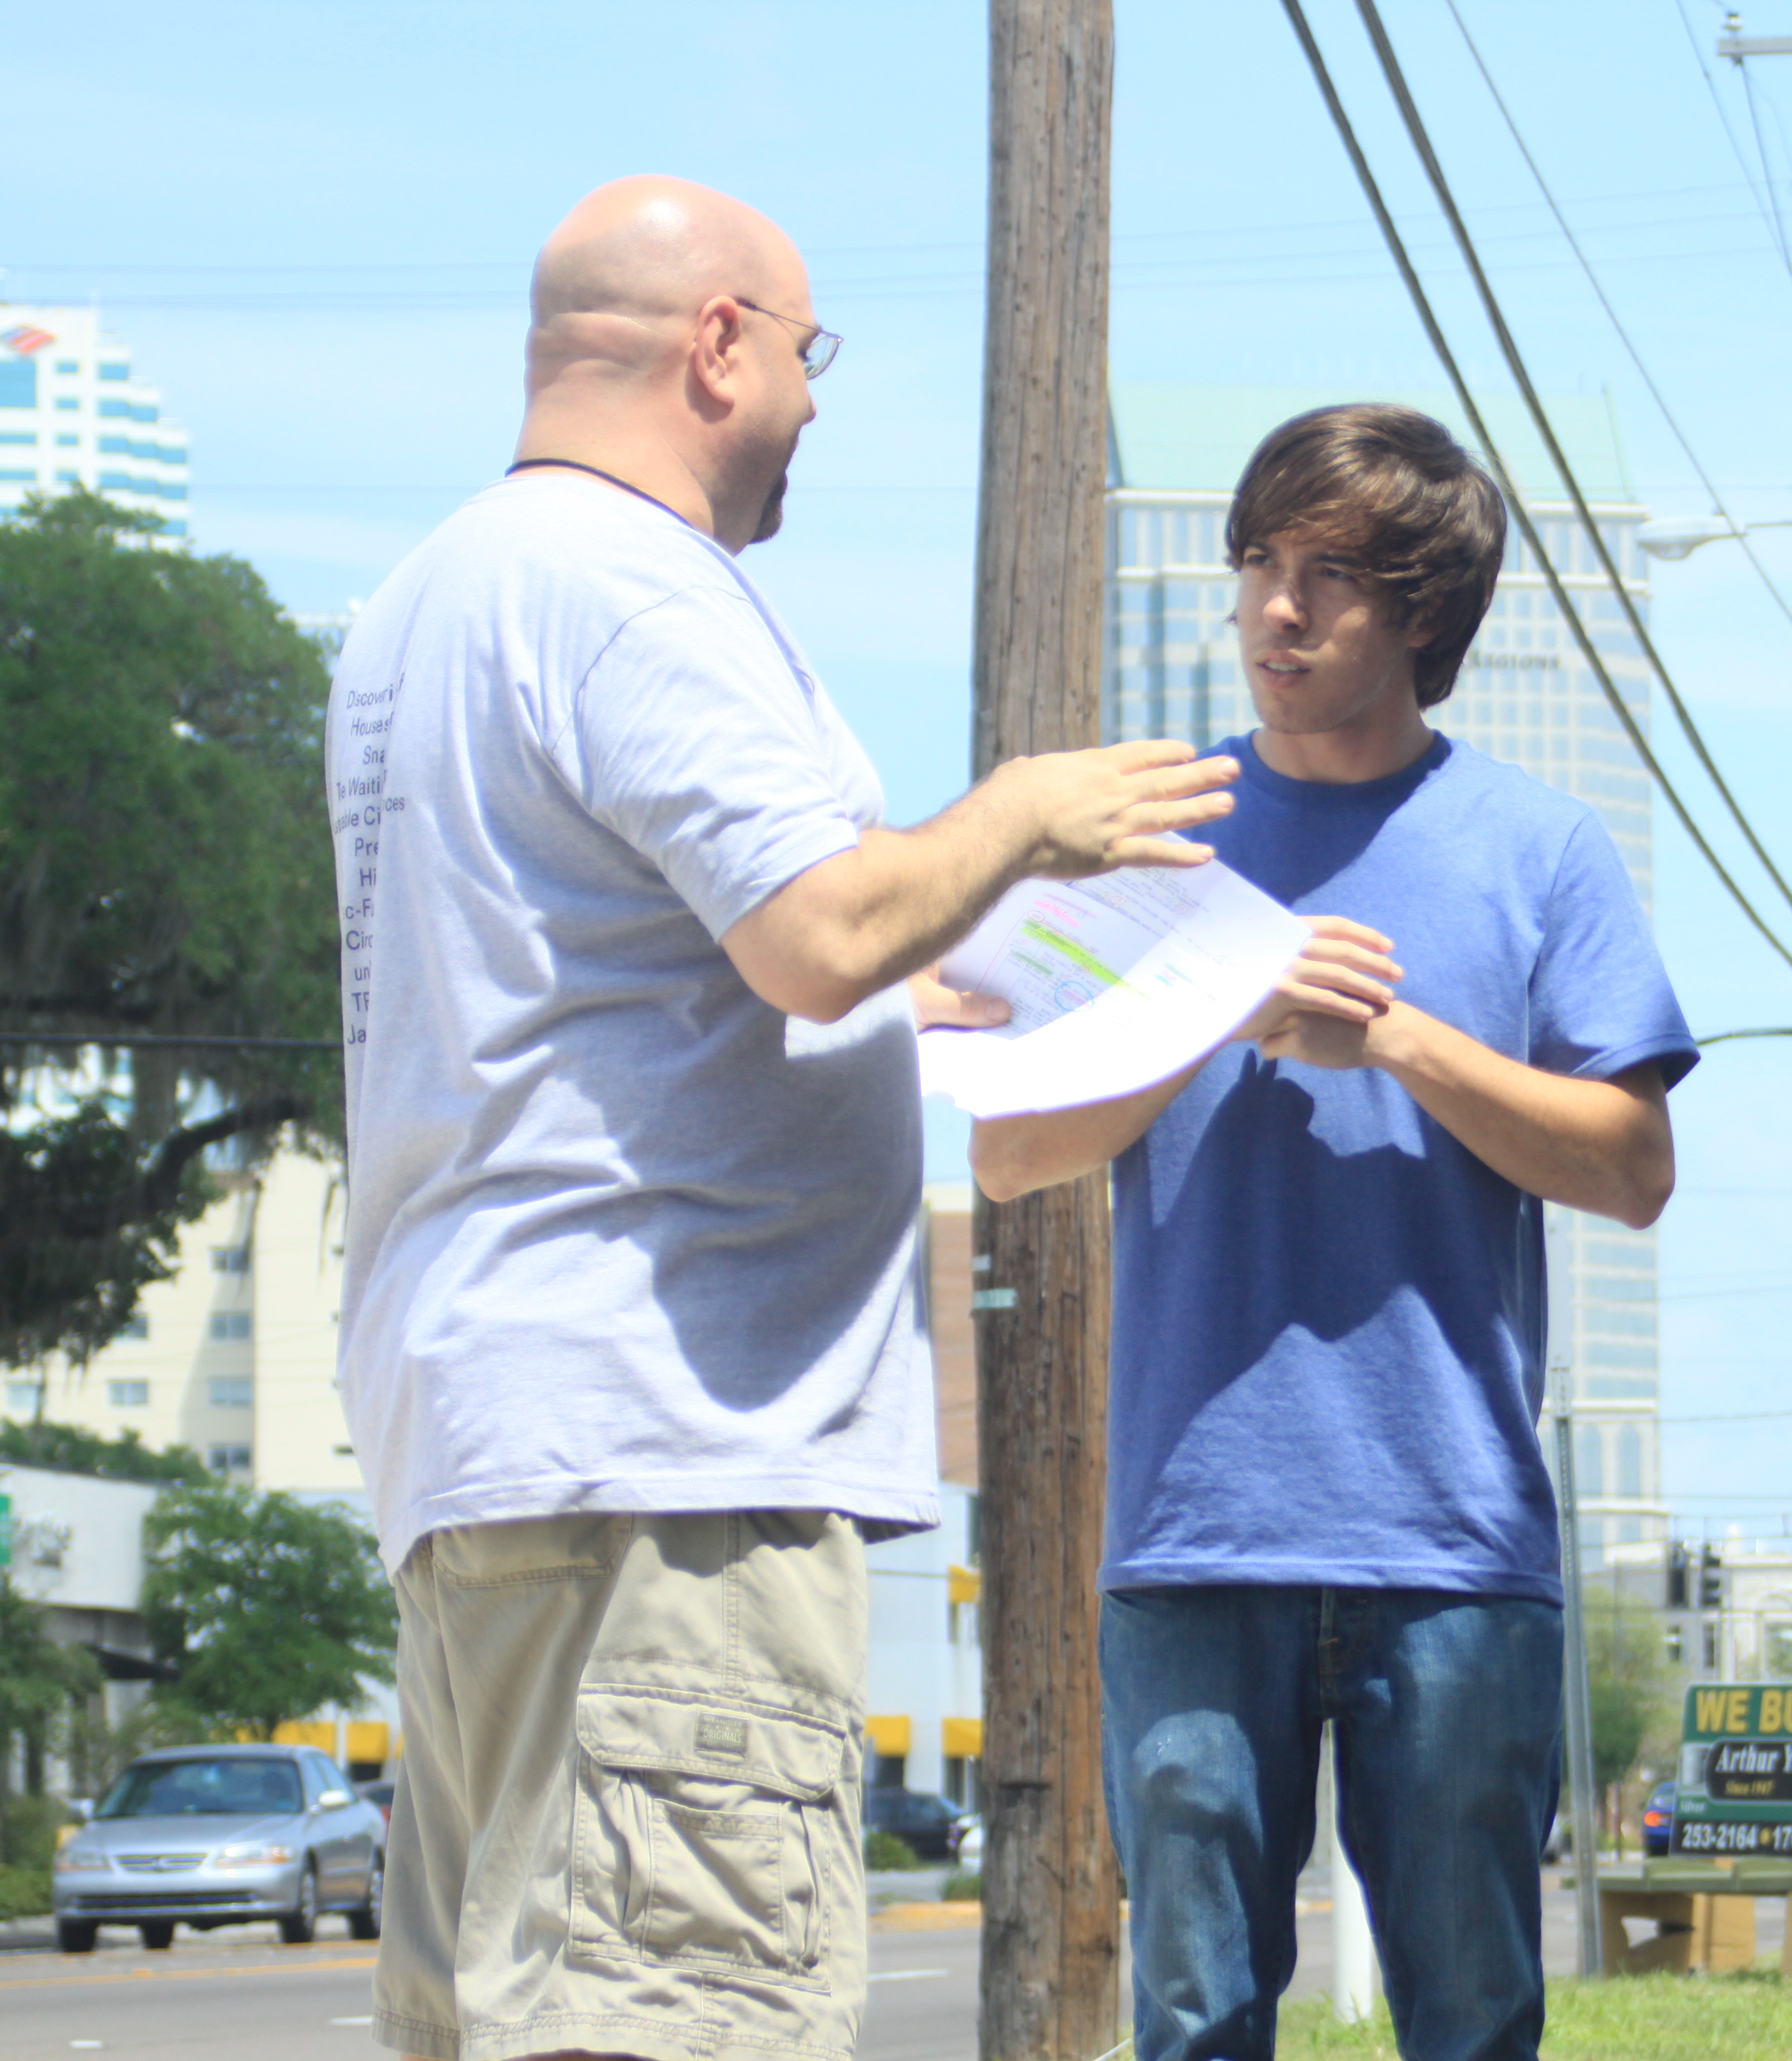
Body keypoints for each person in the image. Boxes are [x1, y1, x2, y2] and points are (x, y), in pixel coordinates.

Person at [325, 176, 1234, 2061]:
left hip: (492, 1450)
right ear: (720, 343)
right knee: (679, 2022)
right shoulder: (640, 591)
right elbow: (816, 936)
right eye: (808, 356)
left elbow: (633, 974)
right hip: (671, 1471)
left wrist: (942, 990)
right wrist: (1024, 819)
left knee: (520, 2018)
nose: (816, 406)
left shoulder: (434, 599)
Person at [971, 403, 1696, 2061]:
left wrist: (1404, 1044)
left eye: (1328, 577)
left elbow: (1636, 1167)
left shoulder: (1539, 848)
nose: (1274, 612)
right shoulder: (1142, 837)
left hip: (1451, 1547)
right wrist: (1214, 1001)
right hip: (1193, 1532)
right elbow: (1014, 1149)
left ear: (1424, 615)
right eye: (1257, 565)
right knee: (1196, 2020)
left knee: (1472, 2021)